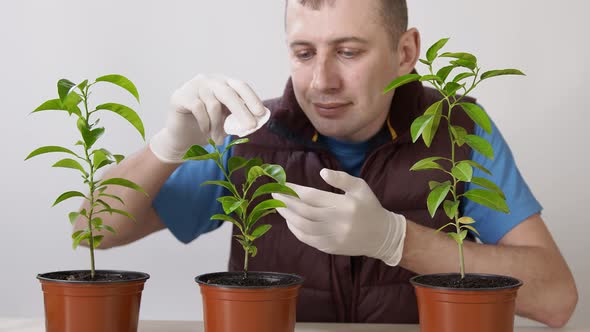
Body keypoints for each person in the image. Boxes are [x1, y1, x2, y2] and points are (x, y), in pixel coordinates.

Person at [75, 0, 577, 327]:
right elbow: (91, 230)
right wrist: (167, 145)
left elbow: (556, 298)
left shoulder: (456, 128)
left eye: (348, 52)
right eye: (303, 53)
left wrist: (397, 240)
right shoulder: (252, 135)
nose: (320, 82)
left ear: (406, 52)